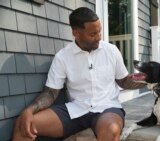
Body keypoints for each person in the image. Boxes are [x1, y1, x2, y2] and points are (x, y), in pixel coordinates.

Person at [12, 7, 145, 141]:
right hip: (76, 110)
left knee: (110, 130)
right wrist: (29, 110)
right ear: (76, 33)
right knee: (23, 124)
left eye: (99, 31)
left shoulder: (111, 50)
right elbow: (50, 93)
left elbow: (123, 81)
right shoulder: (63, 57)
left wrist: (148, 80)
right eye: (93, 34)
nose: (99, 37)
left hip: (107, 108)